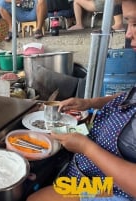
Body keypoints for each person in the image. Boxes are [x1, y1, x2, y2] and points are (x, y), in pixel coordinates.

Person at [27, 1, 136, 200]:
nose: (128, 34)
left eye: (135, 24)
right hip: (92, 166)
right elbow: (130, 96)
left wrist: (86, 147)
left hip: (112, 189)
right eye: (128, 23)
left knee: (35, 199)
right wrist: (90, 103)